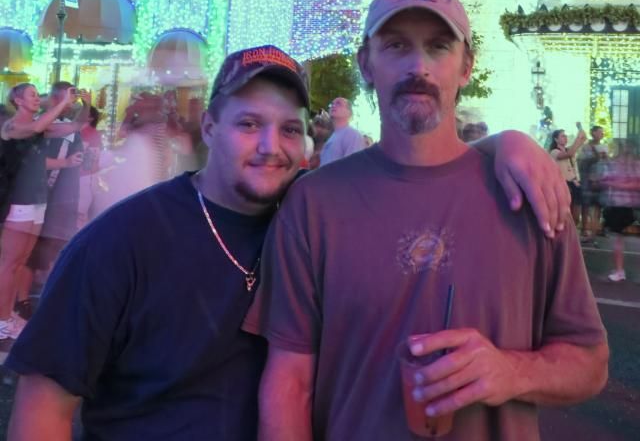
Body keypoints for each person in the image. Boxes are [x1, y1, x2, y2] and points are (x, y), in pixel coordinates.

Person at [7, 44, 569, 440]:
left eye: (290, 129)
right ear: (210, 128)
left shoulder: (317, 214)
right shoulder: (122, 240)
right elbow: (43, 408)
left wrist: (505, 144)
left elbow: (416, 169)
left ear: (307, 142)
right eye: (248, 124)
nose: (270, 147)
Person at [248, 0, 608, 441]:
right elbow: (290, 383)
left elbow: (589, 363)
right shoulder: (313, 203)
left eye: (438, 46)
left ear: (466, 66)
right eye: (397, 46)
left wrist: (512, 371)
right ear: (366, 64)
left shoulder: (530, 194)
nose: (418, 67)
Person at [0, 83, 82, 342]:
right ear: (18, 100)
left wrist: (83, 103)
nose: (38, 98)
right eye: (33, 95)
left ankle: (8, 314)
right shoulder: (11, 126)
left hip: (37, 199)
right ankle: (1, 321)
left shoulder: (42, 126)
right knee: (9, 264)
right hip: (19, 200)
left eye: (38, 95)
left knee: (21, 261)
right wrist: (61, 103)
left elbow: (75, 127)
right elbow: (34, 128)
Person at [597, 140, 640, 282]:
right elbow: (603, 180)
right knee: (617, 239)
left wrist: (617, 184)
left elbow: (637, 185)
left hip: (631, 206)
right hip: (617, 205)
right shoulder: (613, 164)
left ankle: (620, 271)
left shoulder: (635, 165)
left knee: (619, 239)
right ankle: (619, 270)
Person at [549, 128, 587, 224]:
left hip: (575, 182)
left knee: (576, 213)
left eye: (566, 136)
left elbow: (583, 140)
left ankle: (574, 229)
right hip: (564, 184)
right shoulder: (554, 152)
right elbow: (570, 153)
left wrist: (580, 130)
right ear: (556, 139)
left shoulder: (568, 149)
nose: (565, 138)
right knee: (567, 212)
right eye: (562, 136)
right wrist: (578, 138)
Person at [578, 125, 608, 244]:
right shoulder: (586, 147)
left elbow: (606, 163)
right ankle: (584, 228)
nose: (602, 134)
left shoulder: (604, 146)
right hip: (587, 179)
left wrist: (606, 158)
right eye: (600, 132)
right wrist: (595, 156)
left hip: (600, 179)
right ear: (593, 133)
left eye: (602, 132)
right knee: (586, 204)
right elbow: (581, 163)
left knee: (598, 206)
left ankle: (595, 229)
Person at [319, 97, 366, 166]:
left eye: (338, 103)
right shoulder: (332, 136)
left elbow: (353, 166)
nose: (333, 106)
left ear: (349, 112)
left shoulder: (352, 135)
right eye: (332, 104)